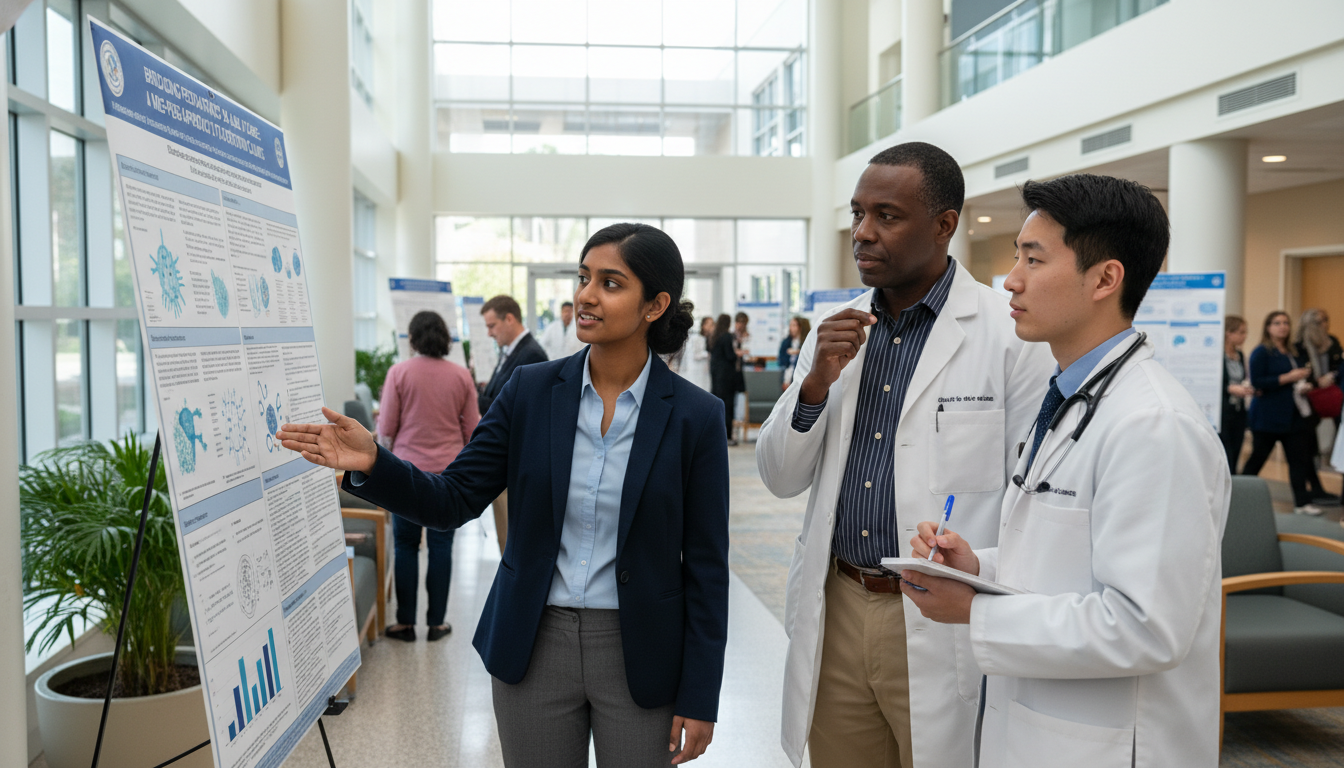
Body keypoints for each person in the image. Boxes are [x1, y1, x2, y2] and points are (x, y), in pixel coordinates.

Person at [278, 223, 729, 767]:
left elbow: (707, 567)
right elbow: (453, 498)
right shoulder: (532, 392)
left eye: (611, 283)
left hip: (643, 651)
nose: (585, 294)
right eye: (583, 277)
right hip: (533, 644)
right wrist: (375, 461)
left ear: (655, 305)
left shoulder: (695, 418)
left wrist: (702, 694)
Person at [897, 173, 1231, 768]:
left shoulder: (1155, 426)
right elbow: (1068, 560)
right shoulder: (1071, 398)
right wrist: (978, 568)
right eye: (1015, 258)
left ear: (1106, 278)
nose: (1012, 280)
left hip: (1111, 743)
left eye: (1034, 259)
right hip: (1038, 727)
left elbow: (1145, 626)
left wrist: (976, 610)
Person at [757, 141, 1053, 768]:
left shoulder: (1009, 336)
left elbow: (1031, 499)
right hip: (838, 605)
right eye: (858, 214)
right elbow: (780, 477)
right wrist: (814, 385)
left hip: (939, 612)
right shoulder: (835, 331)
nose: (862, 233)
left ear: (945, 225)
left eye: (886, 216)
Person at [377, 311, 480, 642]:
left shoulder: (399, 373)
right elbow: (473, 429)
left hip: (407, 473)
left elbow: (386, 428)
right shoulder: (462, 376)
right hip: (448, 476)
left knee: (406, 545)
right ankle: (437, 623)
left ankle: (405, 623)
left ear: (412, 339)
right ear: (444, 339)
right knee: (441, 545)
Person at [478, 295, 548, 553]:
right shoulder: (511, 351)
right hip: (505, 461)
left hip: (517, 461)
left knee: (514, 547)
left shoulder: (531, 355)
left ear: (510, 319)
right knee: (505, 540)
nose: (489, 333)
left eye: (492, 325)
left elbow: (517, 408)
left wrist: (476, 401)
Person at [1242, 311, 1326, 514]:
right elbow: (1257, 382)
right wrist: (1287, 378)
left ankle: (1302, 503)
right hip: (1268, 417)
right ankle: (1239, 496)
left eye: (1286, 323)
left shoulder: (1294, 351)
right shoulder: (1261, 351)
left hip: (1294, 415)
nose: (1283, 327)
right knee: (1257, 460)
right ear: (1268, 327)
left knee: (1298, 460)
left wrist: (1303, 383)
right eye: (1277, 323)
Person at [1294, 307, 1343, 504]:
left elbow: (1339, 369)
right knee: (1307, 446)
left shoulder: (1333, 343)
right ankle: (1313, 488)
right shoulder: (1298, 346)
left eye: (1326, 320)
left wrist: (1332, 376)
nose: (1325, 325)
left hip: (1332, 396)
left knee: (1337, 444)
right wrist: (1315, 383)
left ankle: (1322, 489)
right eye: (1320, 321)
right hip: (1307, 399)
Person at [1220, 315, 1253, 472]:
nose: (1244, 336)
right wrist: (1229, 388)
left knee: (1236, 449)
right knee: (1225, 453)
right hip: (1223, 411)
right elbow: (1216, 382)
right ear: (1228, 333)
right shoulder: (1217, 355)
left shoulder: (1239, 355)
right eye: (1241, 332)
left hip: (1239, 410)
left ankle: (1234, 487)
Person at [708, 314, 738, 446]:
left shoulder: (713, 336)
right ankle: (728, 435)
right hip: (727, 376)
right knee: (728, 405)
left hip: (715, 375)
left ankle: (715, 435)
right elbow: (730, 356)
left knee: (716, 404)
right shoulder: (727, 336)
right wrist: (737, 353)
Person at [677, 317, 714, 392]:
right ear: (703, 325)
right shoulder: (697, 338)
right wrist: (708, 354)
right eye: (710, 324)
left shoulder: (708, 338)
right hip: (696, 371)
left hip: (703, 371)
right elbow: (696, 355)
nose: (712, 327)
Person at [777, 316, 811, 390]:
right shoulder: (786, 342)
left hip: (802, 378)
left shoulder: (807, 343)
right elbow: (781, 360)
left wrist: (798, 352)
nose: (791, 328)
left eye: (794, 325)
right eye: (790, 325)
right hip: (787, 376)